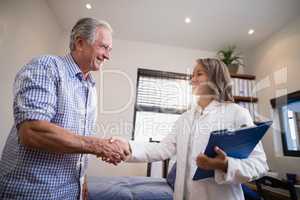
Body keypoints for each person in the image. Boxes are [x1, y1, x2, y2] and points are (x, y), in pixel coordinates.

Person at [0, 18, 130, 199]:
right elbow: (32, 132)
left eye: (109, 50)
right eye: (103, 47)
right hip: (32, 192)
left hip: (70, 192)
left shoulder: (90, 86)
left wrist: (82, 182)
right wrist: (99, 146)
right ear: (80, 43)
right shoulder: (47, 66)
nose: (107, 55)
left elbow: (78, 142)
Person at [112, 58, 269, 200]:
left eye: (198, 74)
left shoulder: (237, 113)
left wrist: (224, 164)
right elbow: (162, 148)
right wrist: (127, 146)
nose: (192, 80)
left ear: (215, 78)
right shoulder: (184, 119)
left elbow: (259, 164)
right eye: (192, 75)